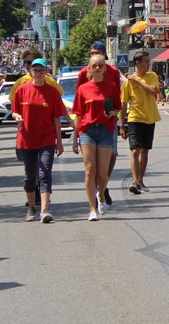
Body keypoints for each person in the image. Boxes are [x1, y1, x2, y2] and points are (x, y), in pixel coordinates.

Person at [11, 58, 65, 223]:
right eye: (35, 70)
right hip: (27, 139)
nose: (38, 73)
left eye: (41, 70)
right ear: (30, 72)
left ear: (46, 71)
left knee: (44, 173)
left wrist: (59, 140)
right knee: (30, 176)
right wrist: (17, 116)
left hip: (46, 139)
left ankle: (45, 210)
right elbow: (14, 111)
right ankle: (31, 207)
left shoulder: (52, 92)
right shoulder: (22, 90)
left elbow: (57, 118)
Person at [71, 54, 120, 221]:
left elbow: (117, 108)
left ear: (105, 68)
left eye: (101, 65)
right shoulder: (82, 89)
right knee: (90, 169)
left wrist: (113, 112)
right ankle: (92, 209)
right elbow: (78, 114)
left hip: (106, 130)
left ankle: (101, 196)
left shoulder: (112, 86)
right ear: (89, 68)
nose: (98, 68)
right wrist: (74, 138)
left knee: (103, 173)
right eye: (95, 65)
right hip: (87, 131)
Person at [120, 50, 161, 195]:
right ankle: (135, 181)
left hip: (149, 118)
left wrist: (137, 80)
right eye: (146, 62)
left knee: (145, 151)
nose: (148, 64)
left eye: (149, 61)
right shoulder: (127, 84)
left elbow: (153, 91)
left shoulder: (151, 76)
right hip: (134, 119)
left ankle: (141, 180)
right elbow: (124, 105)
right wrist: (122, 125)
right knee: (135, 150)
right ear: (137, 63)